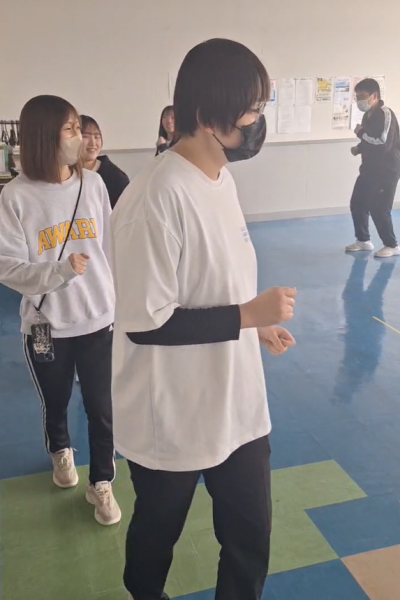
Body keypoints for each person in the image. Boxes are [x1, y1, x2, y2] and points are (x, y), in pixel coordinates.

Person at [111, 38, 296, 600]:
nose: (256, 121)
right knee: (156, 536)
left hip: (237, 403)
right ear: (205, 113)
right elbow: (147, 323)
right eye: (249, 109)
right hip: (173, 412)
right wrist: (247, 313)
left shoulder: (221, 180)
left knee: (250, 536)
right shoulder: (155, 197)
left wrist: (255, 326)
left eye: (260, 107)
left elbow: (217, 280)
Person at [0, 95, 121, 526]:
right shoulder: (16, 196)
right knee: (56, 400)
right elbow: (8, 266)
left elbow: (110, 249)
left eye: (79, 129)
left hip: (98, 319)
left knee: (102, 407)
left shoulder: (94, 185)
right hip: (47, 324)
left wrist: (119, 301)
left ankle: (102, 481)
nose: (80, 138)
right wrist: (59, 272)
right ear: (44, 137)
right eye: (70, 129)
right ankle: (61, 450)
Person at [346, 78, 400, 258]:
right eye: (357, 97)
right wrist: (359, 148)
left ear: (374, 96)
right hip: (369, 169)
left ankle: (392, 245)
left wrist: (361, 133)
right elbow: (370, 140)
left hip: (386, 170)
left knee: (379, 208)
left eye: (362, 96)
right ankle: (363, 240)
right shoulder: (367, 115)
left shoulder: (385, 113)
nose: (359, 101)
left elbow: (382, 142)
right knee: (357, 203)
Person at [80, 114, 130, 209]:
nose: (93, 143)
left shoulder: (117, 179)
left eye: (96, 137)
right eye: (85, 136)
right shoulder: (63, 174)